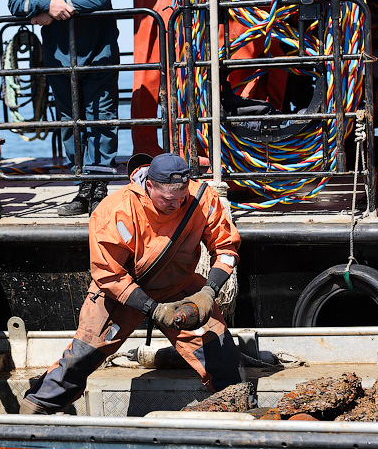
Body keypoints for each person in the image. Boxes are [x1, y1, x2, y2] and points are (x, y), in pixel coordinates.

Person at [19, 153, 244, 414]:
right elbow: (109, 275)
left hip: (181, 289)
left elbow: (226, 247)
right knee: (81, 357)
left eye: (182, 198)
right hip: (121, 293)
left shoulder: (201, 199)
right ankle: (34, 410)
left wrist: (208, 292)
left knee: (223, 357)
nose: (176, 205)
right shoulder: (115, 211)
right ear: (149, 185)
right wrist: (154, 309)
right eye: (168, 200)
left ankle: (239, 416)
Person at [7, 0, 120, 216]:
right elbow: (13, 0)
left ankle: (100, 187)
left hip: (99, 51)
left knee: (101, 117)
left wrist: (58, 8)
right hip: (59, 56)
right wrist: (46, 4)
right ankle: (82, 188)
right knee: (70, 121)